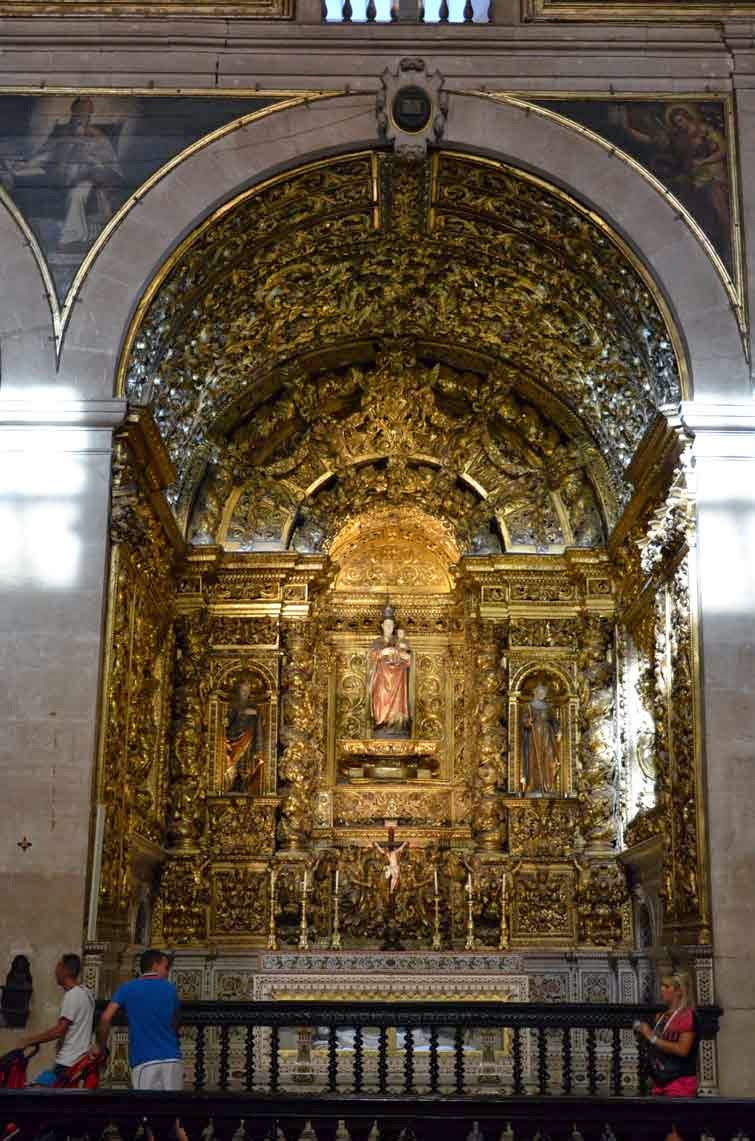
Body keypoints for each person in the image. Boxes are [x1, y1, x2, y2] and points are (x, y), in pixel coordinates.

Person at [95, 948, 182, 1091]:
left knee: (146, 1110)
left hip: (146, 1061)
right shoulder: (171, 989)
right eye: (166, 968)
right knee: (173, 1110)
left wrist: (101, 1046)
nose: (167, 973)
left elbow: (105, 1018)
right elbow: (175, 1020)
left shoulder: (128, 988)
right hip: (173, 1059)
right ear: (155, 965)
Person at [16, 953, 94, 1086]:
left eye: (58, 965)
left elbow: (59, 1030)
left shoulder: (72, 995)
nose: (55, 970)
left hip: (67, 1063)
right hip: (78, 1060)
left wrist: (28, 1040)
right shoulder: (86, 993)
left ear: (66, 970)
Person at [634, 969, 699, 1097]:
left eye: (667, 987)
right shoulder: (661, 1016)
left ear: (679, 991)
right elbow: (657, 1045)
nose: (662, 990)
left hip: (680, 1082)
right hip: (659, 1081)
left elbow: (682, 1049)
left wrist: (651, 1037)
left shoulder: (687, 1015)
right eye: (661, 986)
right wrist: (642, 1034)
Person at [367, 606, 411, 739]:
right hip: (382, 677)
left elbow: (408, 658)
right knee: (381, 698)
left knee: (398, 701)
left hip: (398, 677)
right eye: (387, 624)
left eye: (391, 625)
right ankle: (382, 723)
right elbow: (372, 656)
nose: (389, 627)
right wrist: (383, 652)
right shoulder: (378, 641)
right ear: (382, 626)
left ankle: (396, 724)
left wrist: (403, 655)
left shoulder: (397, 641)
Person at [521, 681, 561, 794]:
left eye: (543, 692)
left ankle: (548, 785)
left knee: (548, 758)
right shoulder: (528, 706)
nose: (541, 694)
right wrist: (528, 722)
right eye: (539, 692)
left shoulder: (548, 707)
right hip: (533, 737)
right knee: (533, 759)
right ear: (535, 693)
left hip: (547, 735)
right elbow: (523, 721)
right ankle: (533, 785)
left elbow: (554, 721)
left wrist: (559, 731)